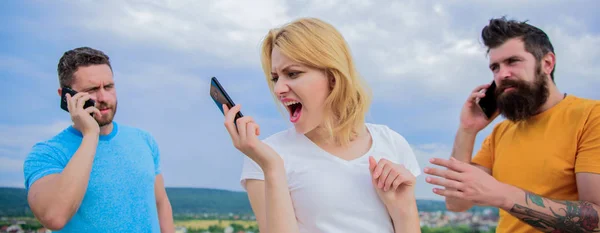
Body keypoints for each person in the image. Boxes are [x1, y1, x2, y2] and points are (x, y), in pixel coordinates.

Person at [221, 17, 422, 233]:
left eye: (293, 74)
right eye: (275, 78)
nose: (278, 89)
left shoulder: (391, 143)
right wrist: (272, 168)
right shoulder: (266, 157)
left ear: (333, 77)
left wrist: (406, 210)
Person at [424, 16, 600, 233]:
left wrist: (504, 195)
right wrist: (467, 129)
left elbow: (596, 218)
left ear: (547, 63)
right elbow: (457, 204)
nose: (502, 74)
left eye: (513, 61)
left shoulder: (592, 116)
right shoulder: (501, 132)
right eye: (495, 67)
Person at [22, 47, 175, 232]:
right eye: (92, 89)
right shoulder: (47, 153)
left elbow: (161, 204)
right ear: (65, 96)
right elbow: (55, 217)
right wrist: (90, 134)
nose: (103, 97)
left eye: (108, 86)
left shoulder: (144, 140)